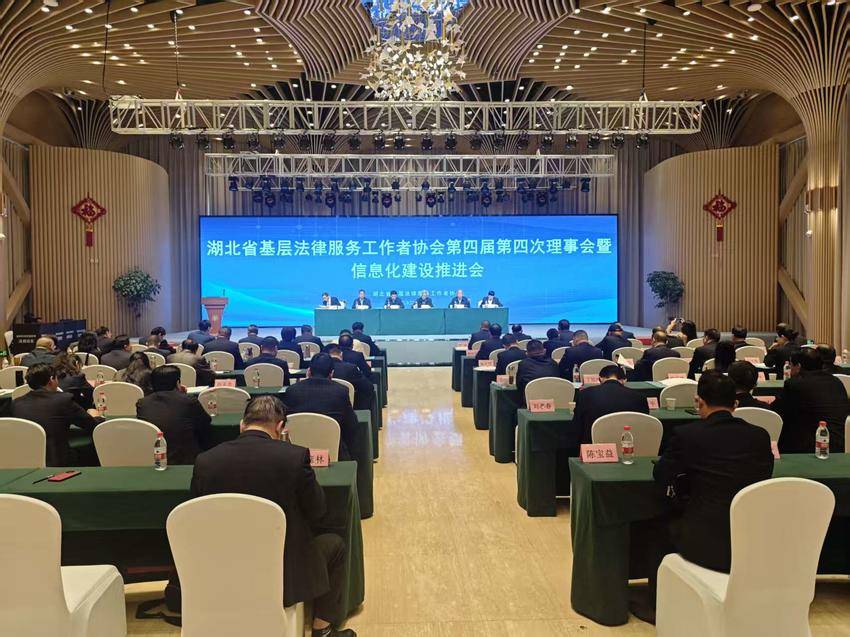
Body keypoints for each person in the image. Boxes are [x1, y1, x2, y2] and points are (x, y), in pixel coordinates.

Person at [190, 396, 356, 637]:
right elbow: (317, 511)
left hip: (225, 568)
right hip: (284, 571)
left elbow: (197, 515)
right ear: (280, 427)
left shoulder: (205, 461)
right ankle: (323, 630)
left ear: (242, 425)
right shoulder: (295, 457)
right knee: (335, 544)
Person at [653, 371, 773, 574]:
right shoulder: (760, 436)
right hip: (750, 535)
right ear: (735, 404)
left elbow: (662, 474)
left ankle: (660, 592)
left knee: (654, 528)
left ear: (699, 401)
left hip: (703, 541)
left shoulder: (687, 435)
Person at [11, 363, 103, 466]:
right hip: (57, 463)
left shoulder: (16, 403)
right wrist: (96, 416)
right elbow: (91, 425)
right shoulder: (63, 400)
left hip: (25, 462)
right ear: (51, 380)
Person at [772, 348, 849, 453]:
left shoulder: (795, 383)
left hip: (813, 446)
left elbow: (778, 410)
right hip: (841, 443)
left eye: (791, 365)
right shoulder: (836, 381)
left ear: (798, 366)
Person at [282, 354, 358, 460]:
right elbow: (351, 425)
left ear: (309, 371)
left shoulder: (292, 391)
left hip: (296, 453)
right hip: (333, 452)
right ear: (331, 373)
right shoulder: (341, 391)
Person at [136, 365, 212, 463]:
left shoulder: (142, 403)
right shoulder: (189, 401)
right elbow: (205, 422)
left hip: (153, 458)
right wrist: (184, 396)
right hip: (186, 460)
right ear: (177, 383)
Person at [572, 365, 649, 443]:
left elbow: (577, 425)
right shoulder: (640, 397)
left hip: (594, 444)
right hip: (629, 444)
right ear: (624, 380)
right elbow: (644, 426)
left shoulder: (584, 394)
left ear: (600, 379)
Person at [327, 345, 374, 411]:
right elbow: (368, 387)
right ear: (341, 354)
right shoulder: (351, 368)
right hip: (349, 407)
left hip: (326, 408)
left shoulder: (323, 369)